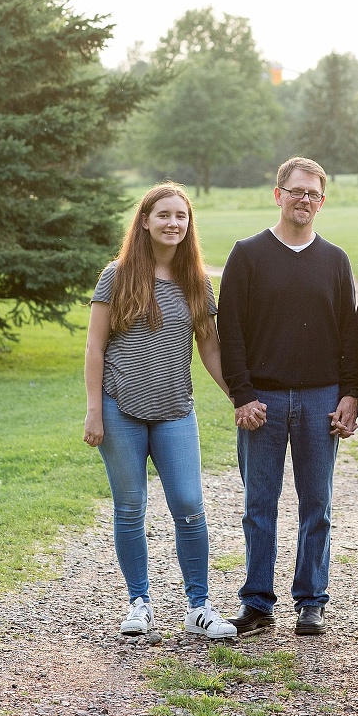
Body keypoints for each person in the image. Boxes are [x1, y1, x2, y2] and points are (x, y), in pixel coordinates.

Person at [84, 182, 236, 641]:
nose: (173, 223)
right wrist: (94, 410)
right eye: (164, 215)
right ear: (146, 221)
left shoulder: (197, 281)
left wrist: (237, 395)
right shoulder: (117, 275)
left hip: (175, 410)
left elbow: (210, 346)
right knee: (130, 507)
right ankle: (139, 603)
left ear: (189, 224)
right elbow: (95, 347)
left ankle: (199, 607)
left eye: (181, 216)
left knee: (189, 504)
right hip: (119, 408)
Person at [217, 157, 358, 637]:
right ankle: (257, 603)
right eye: (297, 191)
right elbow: (230, 331)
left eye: (313, 193)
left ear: (322, 201)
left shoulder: (335, 260)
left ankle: (311, 600)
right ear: (278, 194)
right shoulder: (247, 254)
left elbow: (349, 334)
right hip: (264, 401)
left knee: (316, 505)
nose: (305, 199)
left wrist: (350, 394)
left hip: (321, 398)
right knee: (259, 506)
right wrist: (242, 395)